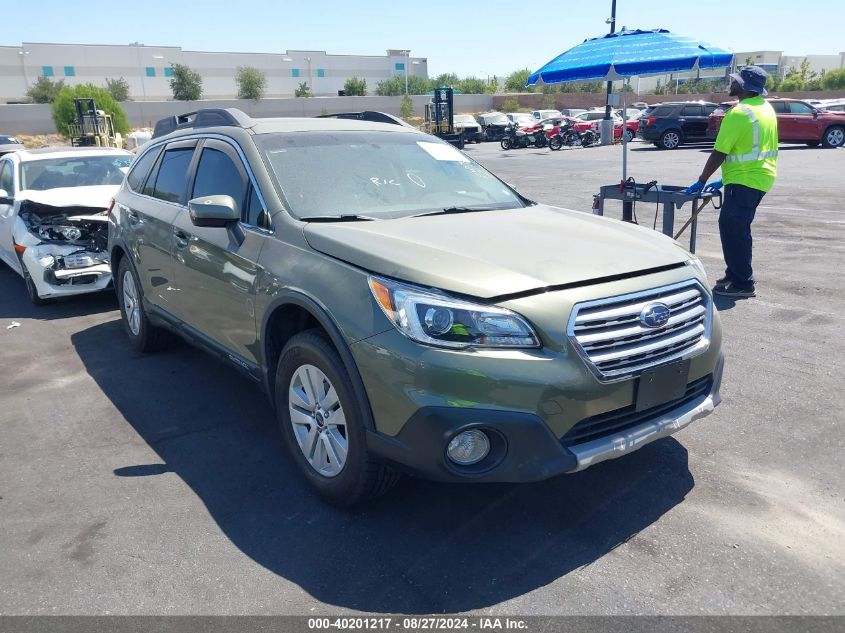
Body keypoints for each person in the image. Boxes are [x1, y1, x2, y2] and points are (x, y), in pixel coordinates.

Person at [685, 66, 778, 298]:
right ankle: (734, 272)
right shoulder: (765, 109)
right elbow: (750, 147)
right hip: (758, 177)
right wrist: (724, 180)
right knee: (733, 227)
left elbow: (720, 152)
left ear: (744, 86)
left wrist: (702, 180)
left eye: (735, 81)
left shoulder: (739, 113)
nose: (731, 84)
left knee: (735, 230)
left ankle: (743, 283)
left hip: (745, 180)